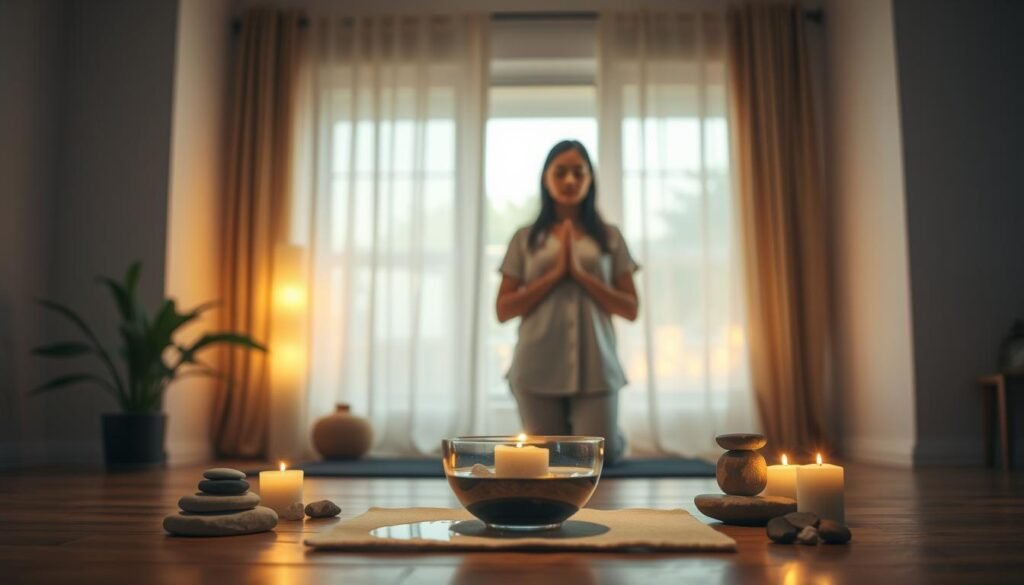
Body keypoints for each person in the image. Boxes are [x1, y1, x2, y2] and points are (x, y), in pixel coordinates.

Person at [495, 139, 640, 465]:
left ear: (590, 179)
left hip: (597, 368)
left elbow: (631, 309)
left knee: (597, 458)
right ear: (546, 179)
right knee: (550, 461)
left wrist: (582, 275)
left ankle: (616, 439)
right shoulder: (525, 238)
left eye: (579, 172)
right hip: (536, 367)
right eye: (560, 172)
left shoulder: (610, 237)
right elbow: (503, 310)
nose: (570, 181)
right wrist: (555, 274)